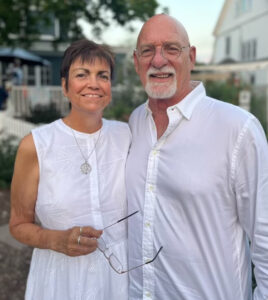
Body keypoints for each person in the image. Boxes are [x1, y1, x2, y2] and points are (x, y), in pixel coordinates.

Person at [126, 14, 268, 300]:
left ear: (191, 56)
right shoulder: (135, 123)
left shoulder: (237, 129)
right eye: (147, 50)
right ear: (136, 61)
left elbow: (265, 236)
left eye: (171, 48)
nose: (158, 60)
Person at [9, 39, 130, 300]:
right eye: (81, 75)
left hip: (120, 278)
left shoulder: (127, 136)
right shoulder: (36, 146)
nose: (94, 83)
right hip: (60, 280)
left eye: (103, 76)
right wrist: (57, 240)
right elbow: (18, 224)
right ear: (65, 86)